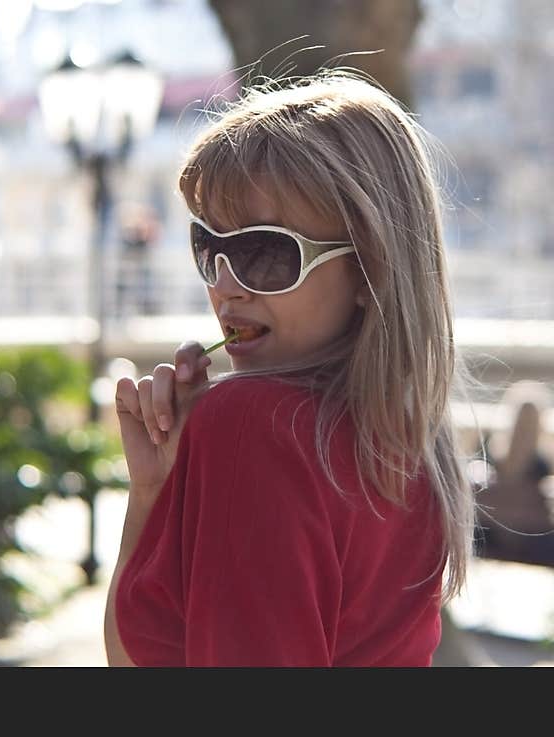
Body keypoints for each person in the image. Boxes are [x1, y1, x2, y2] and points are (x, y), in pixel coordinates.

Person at [104, 69, 476, 667]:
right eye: (210, 248)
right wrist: (155, 490)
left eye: (265, 253)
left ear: (369, 269)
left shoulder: (252, 424)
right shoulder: (412, 444)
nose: (225, 287)